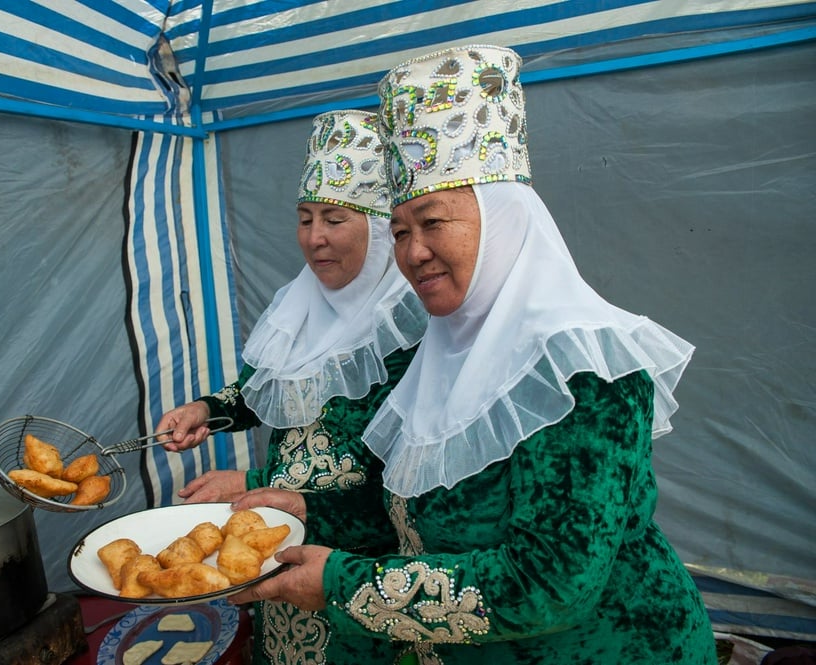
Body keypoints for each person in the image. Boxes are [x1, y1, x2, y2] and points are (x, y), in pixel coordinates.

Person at [228, 44, 718, 664]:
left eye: (433, 222)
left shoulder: (583, 371)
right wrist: (303, 506)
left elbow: (549, 583)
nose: (412, 253)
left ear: (507, 222)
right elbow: (409, 517)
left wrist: (341, 584)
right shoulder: (443, 353)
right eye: (401, 231)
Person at [155, 110, 428, 665]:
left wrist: (256, 482)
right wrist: (206, 408)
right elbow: (266, 390)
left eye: (333, 218)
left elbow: (407, 493)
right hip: (279, 535)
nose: (315, 239)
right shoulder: (299, 307)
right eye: (304, 219)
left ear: (379, 230)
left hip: (361, 561)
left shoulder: (415, 330)